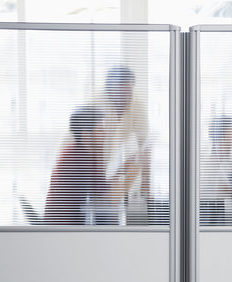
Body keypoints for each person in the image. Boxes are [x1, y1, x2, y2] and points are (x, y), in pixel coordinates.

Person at [43, 105, 143, 225]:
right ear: (86, 134)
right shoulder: (81, 159)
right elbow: (109, 197)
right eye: (100, 129)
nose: (105, 134)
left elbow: (102, 188)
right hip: (64, 229)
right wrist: (136, 168)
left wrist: (124, 168)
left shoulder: (78, 152)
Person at [96, 66, 151, 224]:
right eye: (121, 93)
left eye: (129, 92)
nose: (126, 98)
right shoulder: (98, 108)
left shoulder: (136, 105)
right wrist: (133, 171)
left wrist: (127, 169)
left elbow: (103, 186)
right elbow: (108, 197)